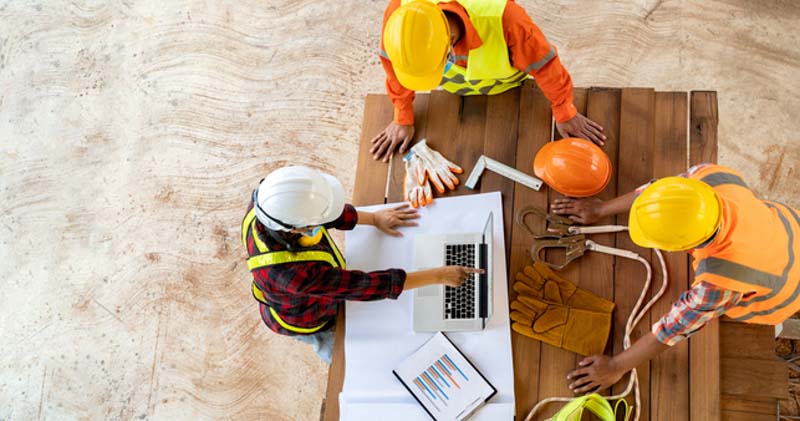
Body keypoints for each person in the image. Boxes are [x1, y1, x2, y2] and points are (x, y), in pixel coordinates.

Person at [551, 163, 800, 393]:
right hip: (791, 230)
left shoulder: (719, 281)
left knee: (758, 317)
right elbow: (659, 192)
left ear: (682, 247)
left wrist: (616, 366)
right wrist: (601, 208)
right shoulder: (708, 176)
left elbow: (674, 328)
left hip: (786, 290)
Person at [242, 166, 481, 363]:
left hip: (314, 284)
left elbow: (326, 213)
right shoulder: (291, 274)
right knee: (346, 356)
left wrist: (374, 218)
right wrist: (439, 276)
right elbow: (363, 285)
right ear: (294, 229)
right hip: (309, 316)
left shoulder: (271, 204)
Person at [371, 0, 606, 163]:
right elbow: (394, 68)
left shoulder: (506, 20)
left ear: (450, 42)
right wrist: (402, 116)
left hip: (509, 86)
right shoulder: (402, 17)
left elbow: (545, 67)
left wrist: (564, 111)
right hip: (458, 92)